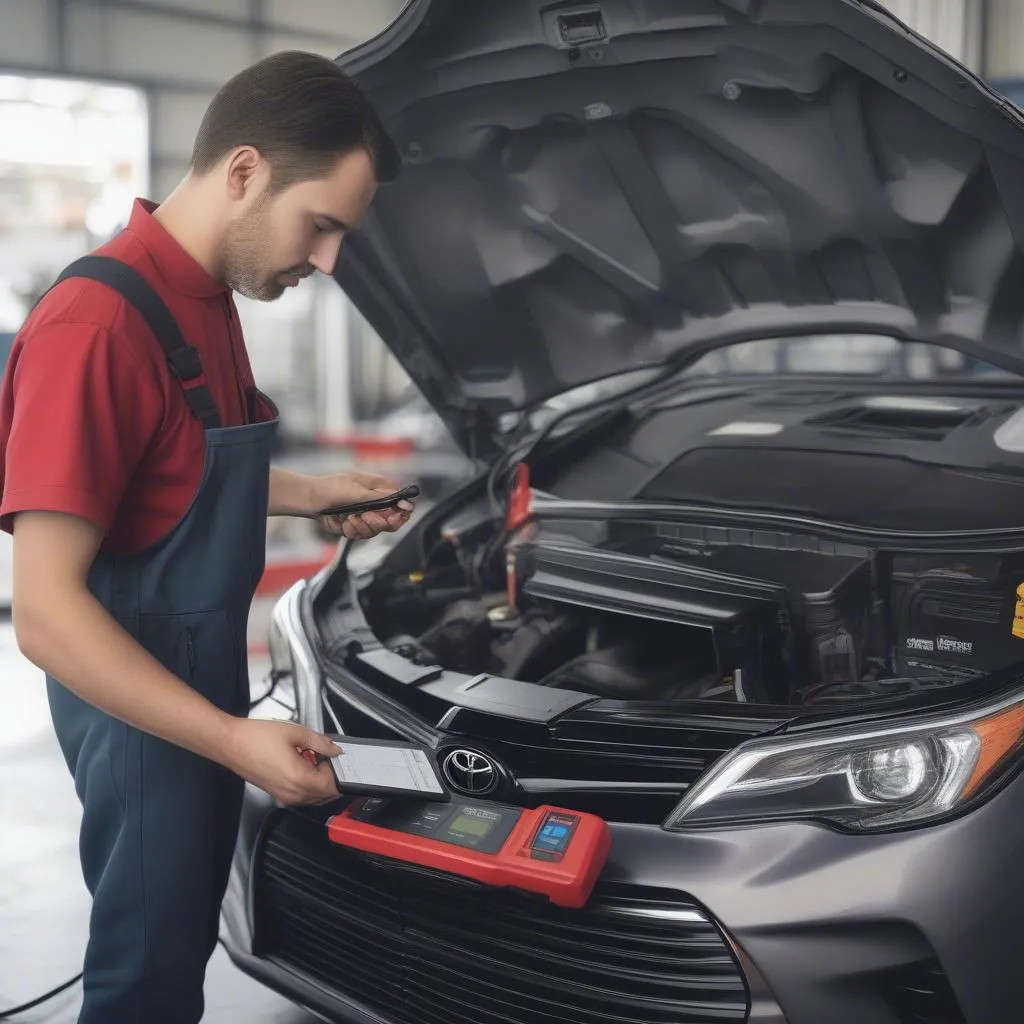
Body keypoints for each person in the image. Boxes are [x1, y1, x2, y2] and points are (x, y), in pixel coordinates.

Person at [0, 51, 412, 1023]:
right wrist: (233, 739)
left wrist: (311, 492)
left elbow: (168, 472)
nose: (325, 262)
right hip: (147, 724)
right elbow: (48, 616)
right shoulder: (93, 326)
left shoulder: (204, 299)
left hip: (203, 699)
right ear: (243, 172)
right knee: (143, 984)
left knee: (174, 964)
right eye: (321, 226)